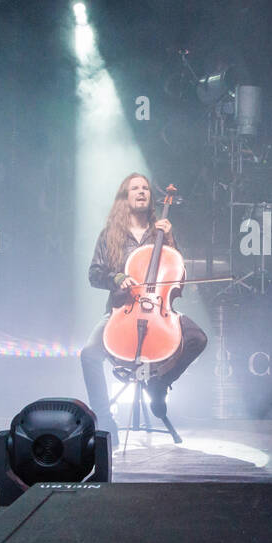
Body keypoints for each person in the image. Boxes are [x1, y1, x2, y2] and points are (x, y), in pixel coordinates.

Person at [79, 174, 208, 439]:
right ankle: (104, 419)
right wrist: (116, 278)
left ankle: (159, 384)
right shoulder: (109, 235)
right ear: (125, 197)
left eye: (145, 188)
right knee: (89, 354)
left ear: (150, 196)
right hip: (122, 309)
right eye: (134, 188)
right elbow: (94, 274)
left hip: (158, 307)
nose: (141, 192)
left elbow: (175, 268)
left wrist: (170, 239)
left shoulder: (160, 232)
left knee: (197, 338)